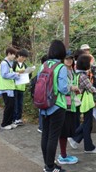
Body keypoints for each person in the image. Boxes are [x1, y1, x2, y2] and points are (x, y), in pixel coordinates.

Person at [40, 40, 71, 172]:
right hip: (57, 105)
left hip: (44, 104)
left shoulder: (44, 65)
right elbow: (64, 89)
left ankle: (48, 164)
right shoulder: (61, 67)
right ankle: (50, 167)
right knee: (53, 136)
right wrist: (70, 86)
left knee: (45, 135)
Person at [68, 53, 96, 154]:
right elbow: (92, 88)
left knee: (87, 123)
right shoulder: (83, 76)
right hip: (87, 102)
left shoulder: (75, 73)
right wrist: (95, 97)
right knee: (87, 124)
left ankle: (75, 139)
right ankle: (88, 146)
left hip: (79, 100)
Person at [57, 50, 79, 165]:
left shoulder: (72, 71)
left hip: (71, 104)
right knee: (63, 131)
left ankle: (64, 154)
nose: (69, 60)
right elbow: (62, 87)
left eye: (71, 58)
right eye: (67, 58)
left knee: (67, 130)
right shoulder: (62, 70)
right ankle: (63, 155)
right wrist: (72, 87)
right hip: (63, 104)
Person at [0, 46, 20, 130]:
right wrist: (15, 74)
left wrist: (16, 74)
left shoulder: (9, 63)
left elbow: (9, 74)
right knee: (8, 106)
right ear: (9, 54)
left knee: (12, 106)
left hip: (9, 88)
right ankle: (4, 124)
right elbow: (4, 74)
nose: (14, 56)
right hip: (5, 88)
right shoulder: (4, 63)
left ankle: (10, 122)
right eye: (13, 54)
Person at [12, 49, 30, 126]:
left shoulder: (25, 65)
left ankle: (19, 118)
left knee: (20, 104)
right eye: (22, 57)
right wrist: (19, 72)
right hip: (14, 87)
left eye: (24, 57)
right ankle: (14, 118)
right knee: (15, 104)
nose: (23, 59)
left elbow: (28, 75)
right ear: (18, 55)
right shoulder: (14, 64)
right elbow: (10, 73)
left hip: (22, 87)